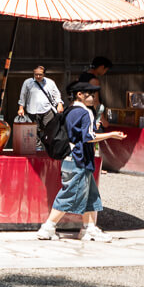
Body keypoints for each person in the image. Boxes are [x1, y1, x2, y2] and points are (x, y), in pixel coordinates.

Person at [37, 80, 125, 241]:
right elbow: (88, 137)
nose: (93, 97)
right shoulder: (85, 112)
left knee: (91, 196)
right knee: (69, 194)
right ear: (79, 95)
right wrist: (111, 135)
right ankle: (48, 227)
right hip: (79, 159)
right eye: (90, 94)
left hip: (72, 159)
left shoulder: (71, 111)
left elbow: (78, 134)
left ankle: (89, 229)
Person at [18, 65, 63, 133]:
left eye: (40, 75)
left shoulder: (50, 82)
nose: (38, 76)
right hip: (33, 111)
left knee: (49, 129)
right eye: (36, 75)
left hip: (47, 110)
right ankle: (38, 144)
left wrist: (59, 104)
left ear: (44, 74)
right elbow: (23, 95)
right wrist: (21, 108)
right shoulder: (28, 82)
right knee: (34, 131)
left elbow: (56, 94)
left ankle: (47, 143)